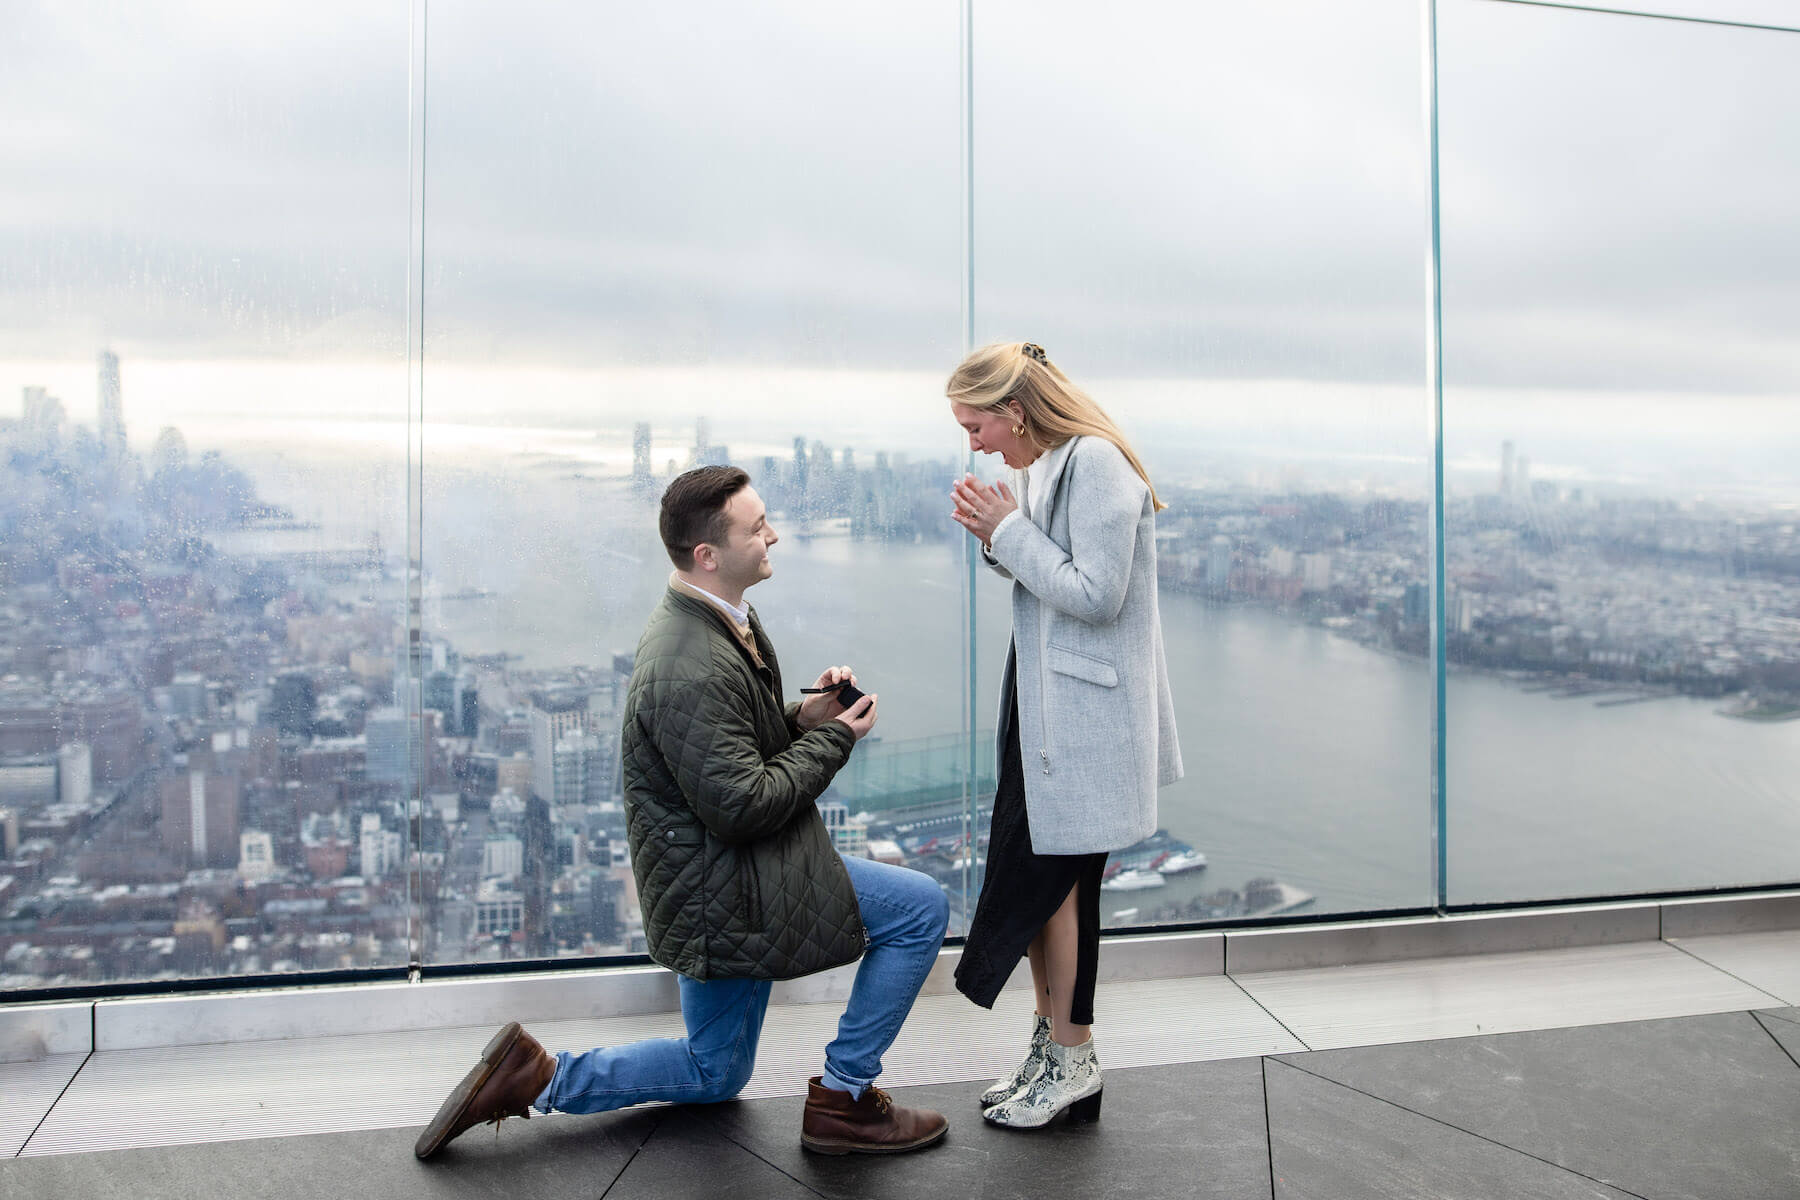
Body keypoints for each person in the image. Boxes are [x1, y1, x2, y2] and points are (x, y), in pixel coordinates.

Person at [415, 465, 950, 1160]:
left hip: (712, 874)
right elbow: (743, 805)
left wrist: (805, 715)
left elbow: (729, 749)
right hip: (726, 884)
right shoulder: (690, 659)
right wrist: (837, 738)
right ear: (708, 554)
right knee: (919, 911)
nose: (774, 537)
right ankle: (844, 1098)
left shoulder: (718, 619)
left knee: (714, 1070)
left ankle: (539, 1077)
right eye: (757, 529)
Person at [945, 341, 1182, 1130]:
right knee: (1039, 883)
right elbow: (1046, 571)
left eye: (976, 424)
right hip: (1045, 704)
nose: (973, 441)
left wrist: (1006, 529)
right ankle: (1052, 1048)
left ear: (1013, 411)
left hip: (1086, 721)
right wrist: (998, 532)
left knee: (1063, 890)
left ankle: (1074, 1061)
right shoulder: (1045, 464)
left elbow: (1096, 594)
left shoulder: (1100, 466)